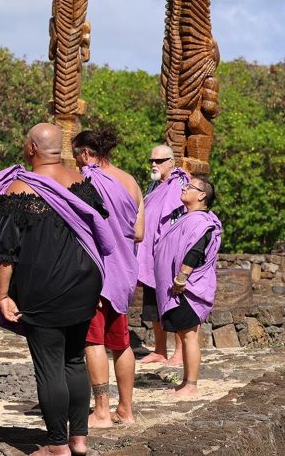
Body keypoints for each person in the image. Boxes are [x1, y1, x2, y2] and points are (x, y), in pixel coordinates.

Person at [0, 123, 113, 456]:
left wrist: (2, 295)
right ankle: (80, 440)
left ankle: (57, 444)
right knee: (74, 360)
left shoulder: (19, 191)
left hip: (43, 290)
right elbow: (101, 234)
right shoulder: (82, 185)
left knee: (49, 366)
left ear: (31, 148)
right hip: (85, 286)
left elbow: (3, 254)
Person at [72, 130, 144, 427]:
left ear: (87, 154)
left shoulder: (87, 182)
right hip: (125, 271)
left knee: (94, 341)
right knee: (122, 343)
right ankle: (125, 410)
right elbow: (138, 233)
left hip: (99, 272)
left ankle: (101, 410)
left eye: (77, 157)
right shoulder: (131, 182)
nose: (76, 164)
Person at [153, 176, 221, 398]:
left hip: (187, 288)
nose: (184, 188)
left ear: (202, 195)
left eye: (189, 186)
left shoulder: (201, 222)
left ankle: (191, 385)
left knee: (189, 336)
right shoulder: (187, 218)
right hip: (179, 287)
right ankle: (185, 382)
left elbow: (195, 251)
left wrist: (182, 278)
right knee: (185, 335)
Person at [139, 145, 190, 365]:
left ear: (171, 162)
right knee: (152, 304)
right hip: (150, 254)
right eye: (151, 160)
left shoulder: (181, 182)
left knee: (173, 301)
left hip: (171, 253)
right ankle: (160, 349)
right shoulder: (152, 184)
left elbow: (185, 213)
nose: (154, 164)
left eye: (159, 161)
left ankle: (179, 351)